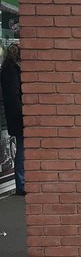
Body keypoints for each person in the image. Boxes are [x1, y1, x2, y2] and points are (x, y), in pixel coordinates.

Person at [0, 41, 24, 195]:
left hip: (14, 116)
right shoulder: (13, 70)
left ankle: (22, 182)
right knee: (22, 149)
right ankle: (21, 184)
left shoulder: (8, 69)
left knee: (22, 148)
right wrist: (23, 112)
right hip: (18, 117)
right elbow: (14, 96)